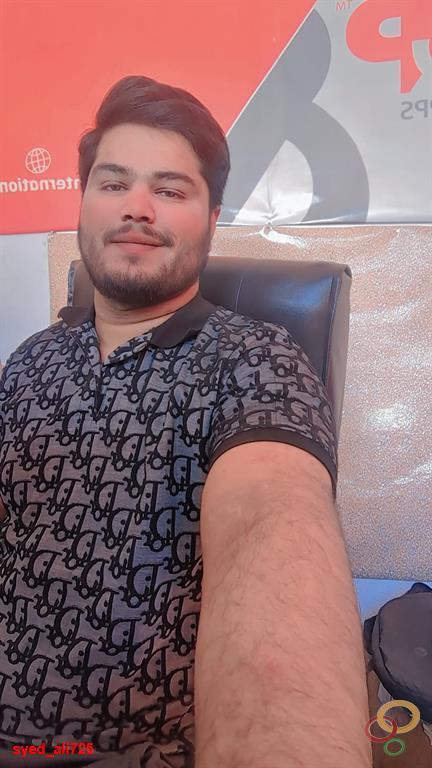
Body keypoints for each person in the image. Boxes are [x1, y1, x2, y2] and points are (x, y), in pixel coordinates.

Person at [0, 76, 372, 768]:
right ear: (83, 200)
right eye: (114, 183)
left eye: (170, 191)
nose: (136, 208)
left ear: (212, 216)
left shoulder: (256, 361)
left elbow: (271, 517)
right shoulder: (29, 359)